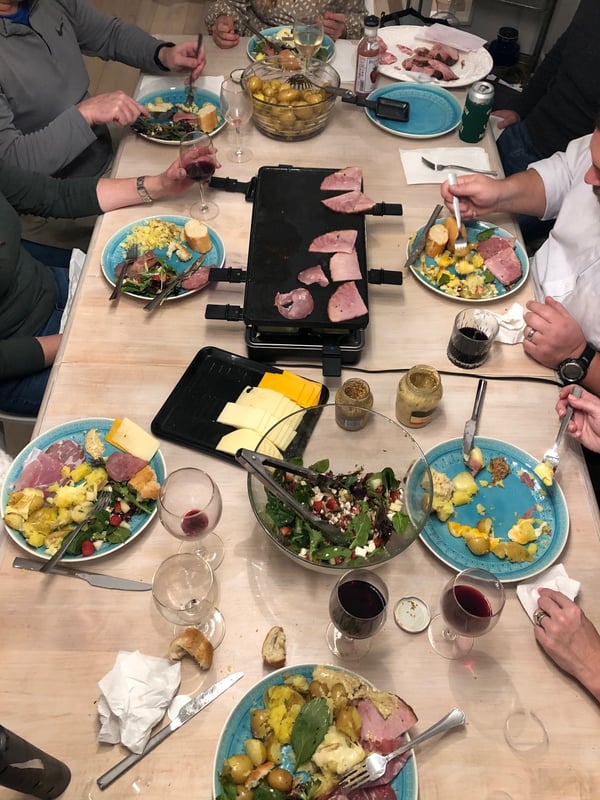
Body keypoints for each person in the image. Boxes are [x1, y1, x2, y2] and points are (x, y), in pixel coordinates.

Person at [0, 155, 198, 417]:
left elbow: (54, 195)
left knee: (180, 335)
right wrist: (77, 337)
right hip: (23, 360)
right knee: (152, 390)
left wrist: (159, 184)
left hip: (55, 288)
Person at [0, 0, 206, 247]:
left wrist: (162, 54)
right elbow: (13, 163)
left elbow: (109, 34)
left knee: (197, 181)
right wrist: (84, 114)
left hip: (103, 155)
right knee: (187, 215)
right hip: (57, 207)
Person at [440, 123, 600, 395]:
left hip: (572, 378)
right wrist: (500, 195)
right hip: (519, 295)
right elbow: (566, 175)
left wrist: (579, 356)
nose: (588, 178)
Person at [492, 0, 600, 242]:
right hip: (530, 130)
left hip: (574, 169)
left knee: (487, 238)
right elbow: (560, 53)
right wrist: (520, 108)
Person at [206, 0, 367, 49]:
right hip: (259, 49)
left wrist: (343, 28)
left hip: (317, 55)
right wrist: (223, 20)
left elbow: (364, 22)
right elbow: (228, 4)